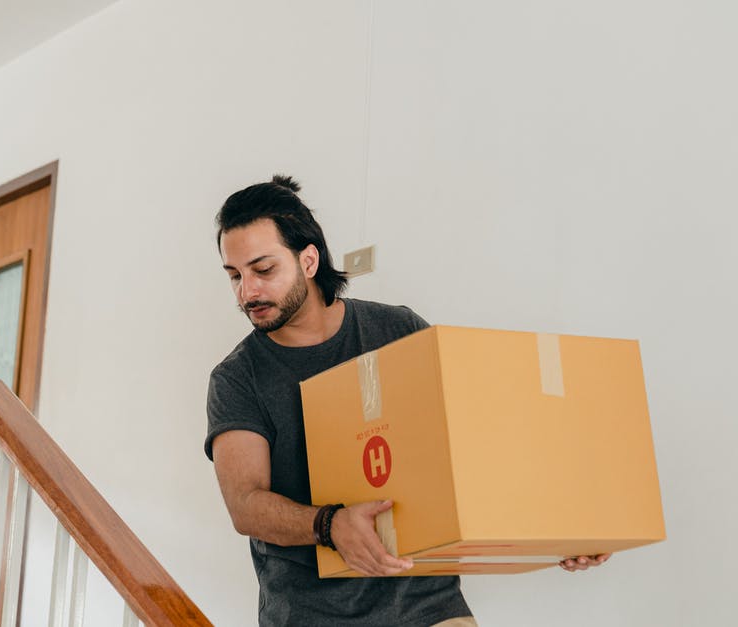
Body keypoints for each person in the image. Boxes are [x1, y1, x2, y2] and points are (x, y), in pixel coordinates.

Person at [204, 175, 607, 627]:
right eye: (234, 276)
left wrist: (562, 528)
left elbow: (468, 442)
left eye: (263, 270)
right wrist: (329, 524)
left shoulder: (396, 332)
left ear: (309, 260)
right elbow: (246, 503)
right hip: (314, 613)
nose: (247, 292)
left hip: (425, 602)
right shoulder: (237, 378)